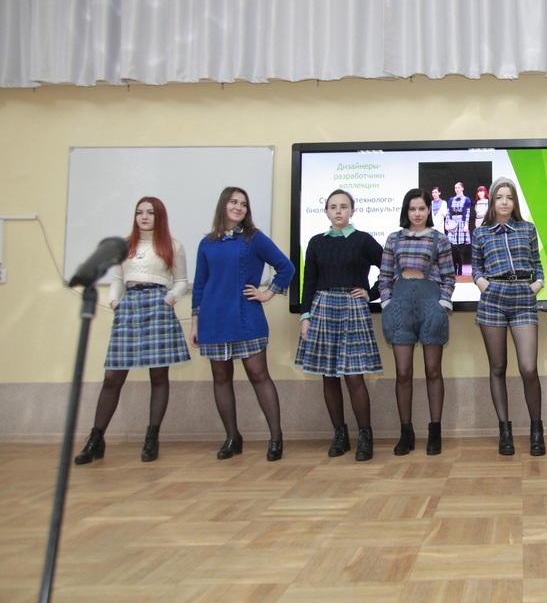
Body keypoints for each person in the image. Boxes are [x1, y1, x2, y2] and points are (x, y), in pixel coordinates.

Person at [74, 197, 191, 465]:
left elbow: (182, 281)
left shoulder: (173, 246)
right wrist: (115, 302)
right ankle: (96, 439)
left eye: (150, 212)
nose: (144, 217)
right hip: (129, 306)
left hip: (158, 306)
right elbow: (117, 279)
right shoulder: (125, 246)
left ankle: (152, 437)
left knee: (158, 375)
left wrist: (169, 298)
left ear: (159, 216)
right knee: (112, 377)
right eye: (139, 212)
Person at [190, 187, 295, 461]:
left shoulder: (253, 238)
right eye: (233, 202)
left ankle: (276, 438)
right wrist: (195, 322)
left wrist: (268, 293)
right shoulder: (206, 243)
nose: (238, 207)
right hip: (213, 321)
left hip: (247, 318)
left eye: (244, 204)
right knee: (221, 378)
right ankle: (232, 437)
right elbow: (200, 285)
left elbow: (286, 267)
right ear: (223, 205)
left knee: (259, 375)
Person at [295, 189, 385, 462]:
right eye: (333, 206)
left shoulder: (363, 240)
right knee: (329, 375)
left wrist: (370, 293)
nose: (338, 211)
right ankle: (340, 435)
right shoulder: (316, 242)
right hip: (322, 309)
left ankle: (365, 436)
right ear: (326, 211)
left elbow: (389, 267)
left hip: (353, 310)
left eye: (343, 206)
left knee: (354, 376)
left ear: (352, 211)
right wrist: (305, 316)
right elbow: (309, 281)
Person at [472, 177, 546, 456]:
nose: (504, 202)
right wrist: (485, 286)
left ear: (515, 202)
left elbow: (538, 264)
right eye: (499, 197)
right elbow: (476, 268)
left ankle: (537, 430)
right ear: (492, 201)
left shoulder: (527, 228)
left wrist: (536, 285)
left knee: (528, 368)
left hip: (523, 298)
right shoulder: (481, 233)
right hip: (493, 299)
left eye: (509, 197)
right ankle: (505, 431)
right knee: (498, 367)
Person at [379, 189, 456, 456]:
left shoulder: (439, 239)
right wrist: (387, 303)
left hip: (430, 305)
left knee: (433, 371)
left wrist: (442, 304)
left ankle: (435, 432)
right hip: (400, 306)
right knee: (403, 373)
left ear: (428, 210)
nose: (417, 213)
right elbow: (384, 277)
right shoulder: (393, 239)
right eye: (412, 209)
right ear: (406, 211)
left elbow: (449, 277)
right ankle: (406, 433)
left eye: (422, 208)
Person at [447, 181, 473, 273]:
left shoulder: (466, 199)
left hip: (461, 222)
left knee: (461, 246)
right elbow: (448, 212)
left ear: (462, 188)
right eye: (455, 188)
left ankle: (461, 267)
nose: (457, 189)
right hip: (453, 222)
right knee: (452, 245)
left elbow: (467, 213)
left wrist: (466, 224)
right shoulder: (451, 199)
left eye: (458, 188)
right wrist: (447, 223)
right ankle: (454, 266)